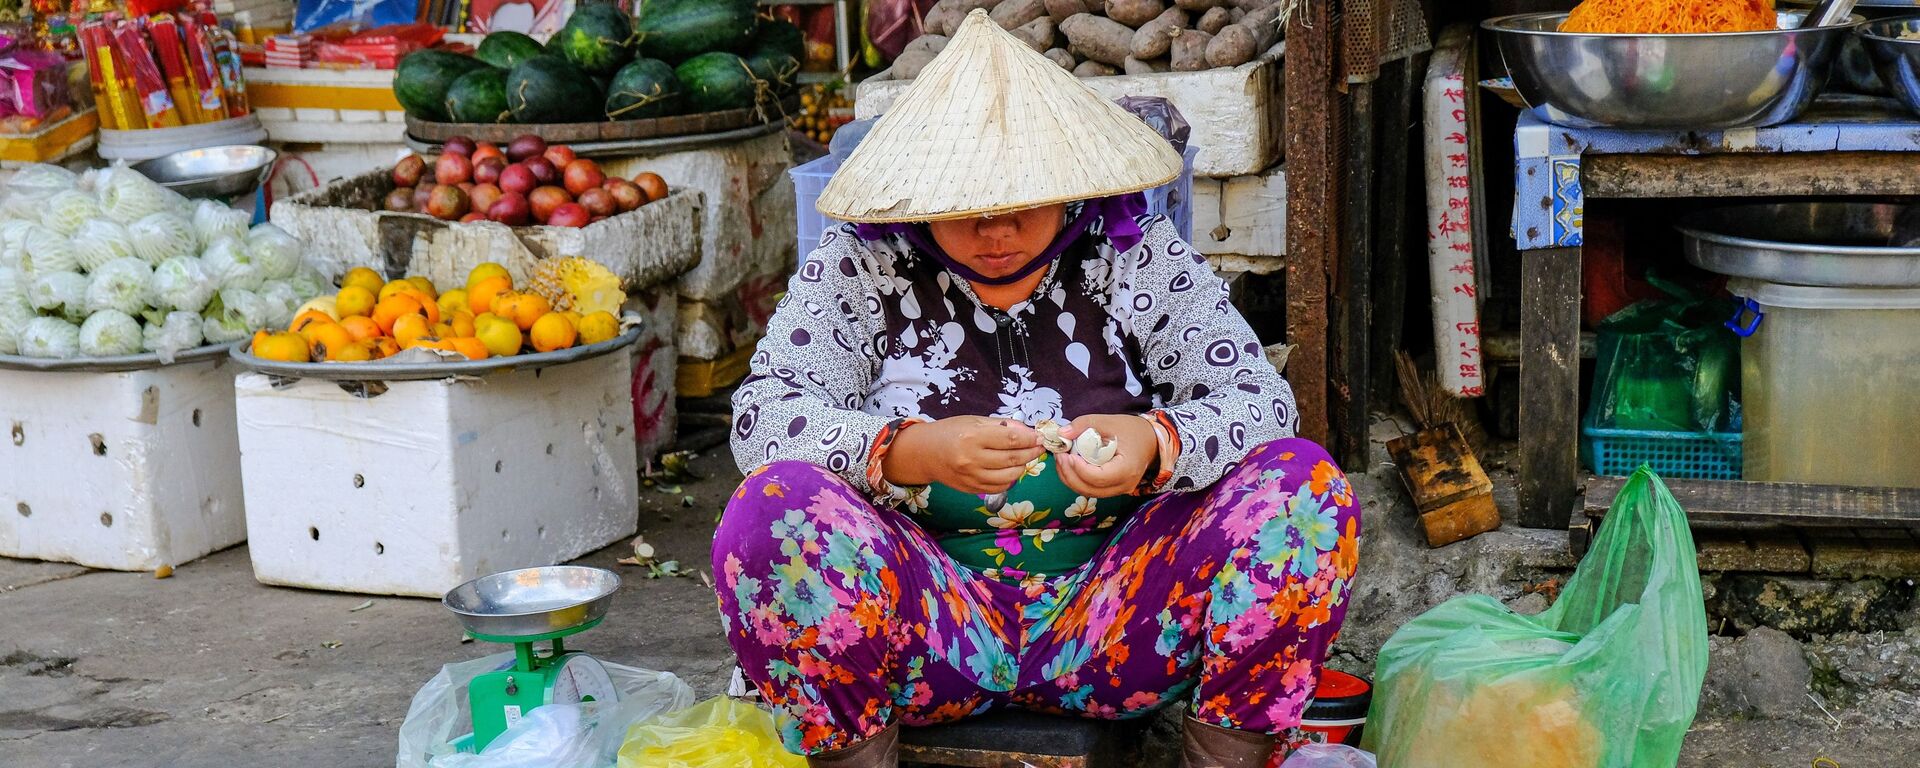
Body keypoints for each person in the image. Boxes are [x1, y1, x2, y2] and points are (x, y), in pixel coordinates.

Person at [712, 10, 1359, 768]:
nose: (996, 234)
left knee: (1303, 489)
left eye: (1021, 204)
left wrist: (1157, 441)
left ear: (1070, 187)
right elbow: (763, 420)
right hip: (923, 627)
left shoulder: (1126, 248)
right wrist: (909, 451)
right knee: (770, 514)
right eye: (967, 211)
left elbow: (1261, 402)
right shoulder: (865, 261)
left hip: (1118, 618)